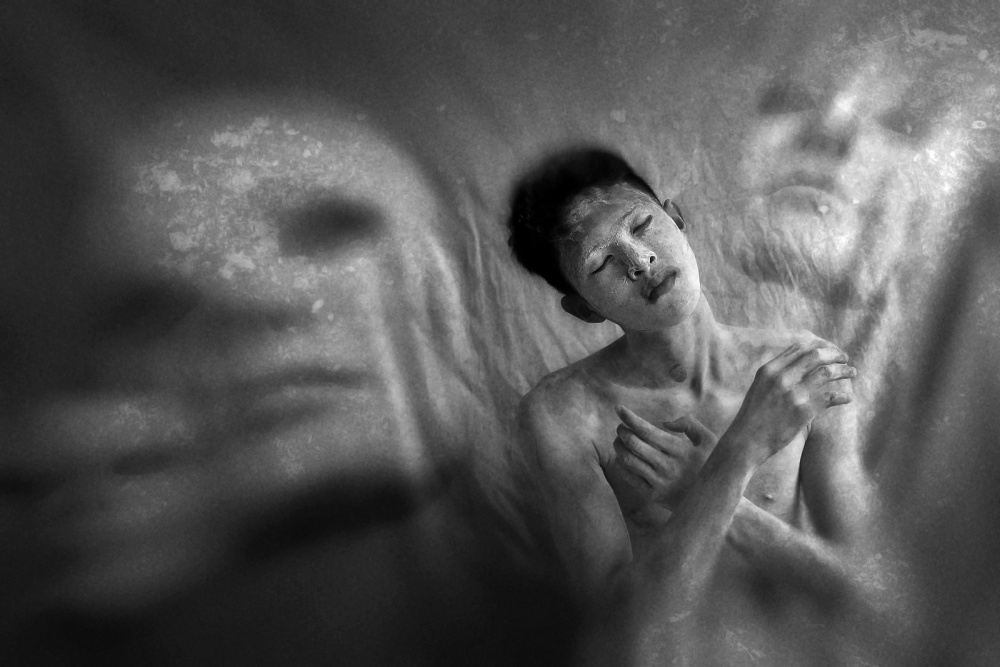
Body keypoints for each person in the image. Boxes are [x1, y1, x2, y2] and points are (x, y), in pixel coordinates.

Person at [507, 147, 881, 664]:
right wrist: (736, 456)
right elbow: (620, 642)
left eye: (642, 226)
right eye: (602, 263)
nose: (640, 261)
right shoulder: (565, 414)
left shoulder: (803, 372)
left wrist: (700, 486)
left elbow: (872, 599)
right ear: (585, 309)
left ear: (677, 219)